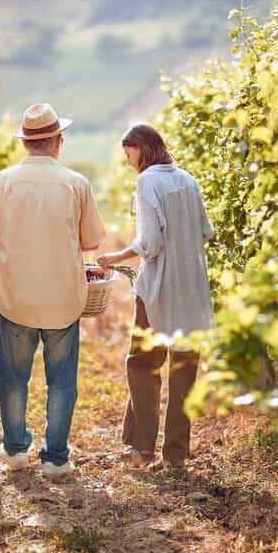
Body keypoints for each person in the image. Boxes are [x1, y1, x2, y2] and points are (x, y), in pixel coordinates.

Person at [0, 102, 107, 479]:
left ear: (25, 143)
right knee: (62, 382)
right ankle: (55, 459)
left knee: (13, 378)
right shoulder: (76, 184)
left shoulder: (0, 182)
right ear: (57, 142)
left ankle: (16, 450)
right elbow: (91, 242)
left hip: (15, 298)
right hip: (62, 299)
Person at [97, 124, 215, 471]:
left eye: (129, 153)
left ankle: (142, 449)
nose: (128, 162)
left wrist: (115, 258)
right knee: (184, 368)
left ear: (142, 149)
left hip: (159, 288)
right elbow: (205, 231)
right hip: (193, 288)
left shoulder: (148, 181)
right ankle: (175, 455)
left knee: (143, 363)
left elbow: (150, 244)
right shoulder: (189, 180)